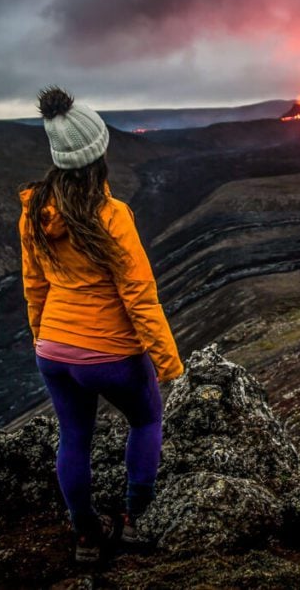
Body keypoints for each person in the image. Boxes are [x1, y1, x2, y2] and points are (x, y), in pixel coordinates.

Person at [17, 85, 184, 563]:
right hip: (109, 353)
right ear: (98, 153)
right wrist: (169, 365)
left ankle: (86, 535)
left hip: (53, 350)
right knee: (147, 418)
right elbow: (139, 295)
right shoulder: (111, 216)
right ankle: (135, 520)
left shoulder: (33, 212)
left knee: (74, 438)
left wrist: (41, 339)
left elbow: (35, 287)